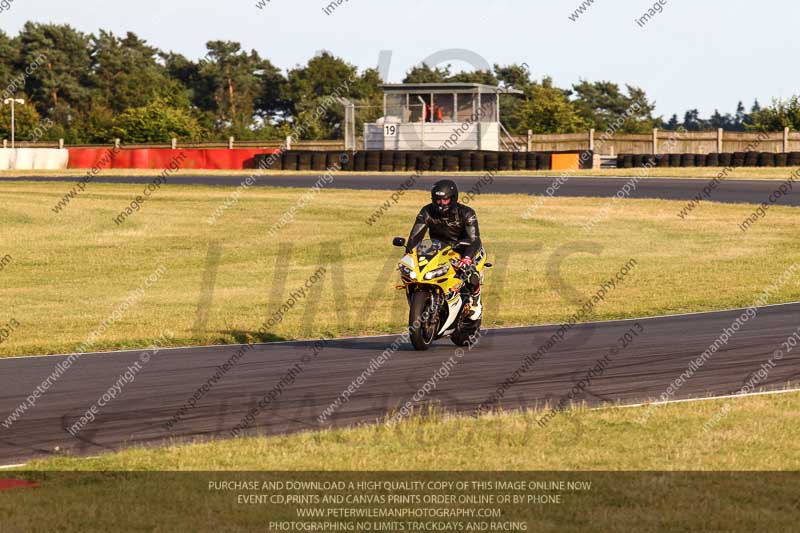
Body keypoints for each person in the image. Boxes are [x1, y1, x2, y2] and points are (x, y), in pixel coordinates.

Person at [405, 179, 484, 319]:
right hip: (437, 249)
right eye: (437, 200)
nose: (441, 204)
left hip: (464, 248)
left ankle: (476, 302)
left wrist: (466, 258)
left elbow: (474, 239)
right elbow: (415, 236)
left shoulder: (467, 213)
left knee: (471, 273)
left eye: (445, 200)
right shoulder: (427, 211)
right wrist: (409, 253)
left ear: (453, 198)